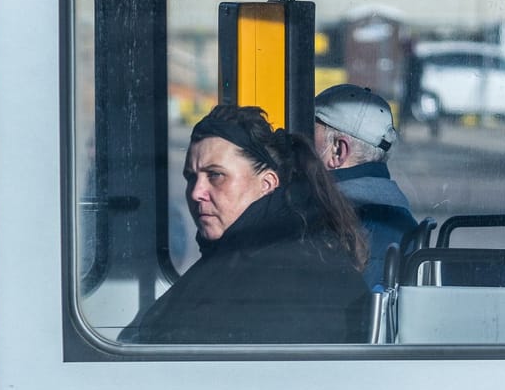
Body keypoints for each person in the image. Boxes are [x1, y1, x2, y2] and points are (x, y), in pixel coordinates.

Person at [122, 105, 371, 345]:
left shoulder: (275, 272)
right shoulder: (279, 250)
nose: (197, 192)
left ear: (267, 183)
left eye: (216, 175)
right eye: (191, 177)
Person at [312, 84, 421, 286]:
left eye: (309, 134)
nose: (300, 144)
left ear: (337, 151)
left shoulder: (327, 215)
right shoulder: (399, 212)